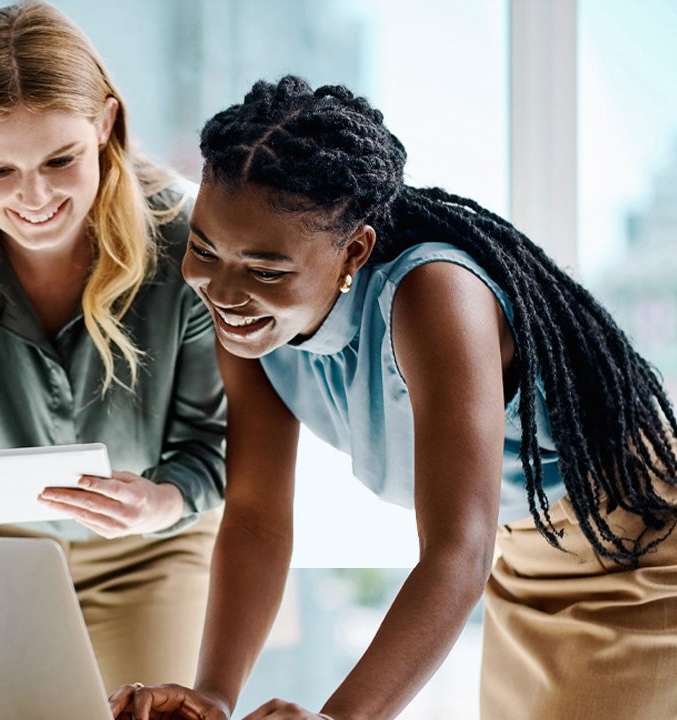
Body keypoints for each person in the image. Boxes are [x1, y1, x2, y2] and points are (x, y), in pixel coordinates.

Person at [110, 76, 677, 719]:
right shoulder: (248, 325)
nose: (225, 289)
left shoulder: (434, 293)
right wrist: (211, 693)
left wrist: (337, 718)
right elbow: (256, 519)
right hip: (519, 554)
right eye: (205, 248)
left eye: (268, 269)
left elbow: (456, 549)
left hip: (637, 551)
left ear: (355, 249)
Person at [0, 1, 226, 692]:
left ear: (106, 126)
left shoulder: (185, 244)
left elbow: (212, 443)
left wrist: (161, 501)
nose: (34, 197)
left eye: (62, 159)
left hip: (150, 548)